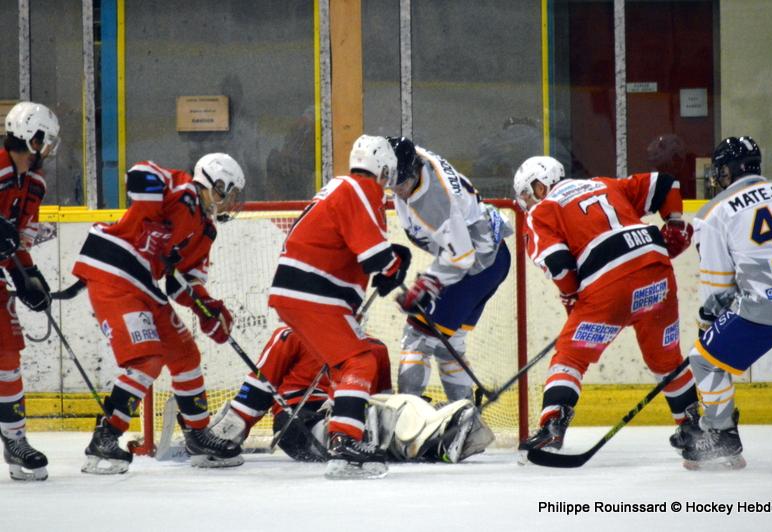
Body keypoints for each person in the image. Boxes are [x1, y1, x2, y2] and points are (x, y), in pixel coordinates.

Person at [72, 153, 247, 474]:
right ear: (215, 183)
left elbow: (183, 284)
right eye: (230, 192)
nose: (231, 201)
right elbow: (139, 173)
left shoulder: (206, 231)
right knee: (146, 360)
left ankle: (197, 435)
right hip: (114, 270)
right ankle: (105, 437)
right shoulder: (182, 190)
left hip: (145, 284)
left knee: (185, 354)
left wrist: (208, 310)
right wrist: (154, 213)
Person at [513, 155, 698, 456]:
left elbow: (559, 265)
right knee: (666, 361)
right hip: (657, 274)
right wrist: (675, 223)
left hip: (608, 288)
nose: (527, 202)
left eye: (527, 193)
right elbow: (665, 183)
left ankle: (552, 426)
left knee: (570, 357)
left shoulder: (542, 212)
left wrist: (571, 293)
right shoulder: (605, 184)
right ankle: (695, 430)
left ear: (541, 185)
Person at [268, 134, 411, 479]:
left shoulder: (343, 187)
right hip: (313, 292)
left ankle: (343, 434)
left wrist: (390, 263)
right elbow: (375, 257)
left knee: (345, 362)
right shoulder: (362, 190)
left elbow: (356, 249)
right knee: (360, 359)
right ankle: (344, 442)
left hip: (301, 290)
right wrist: (395, 265)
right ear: (383, 170)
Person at [671, 136, 772, 470]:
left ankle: (720, 436)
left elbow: (717, 282)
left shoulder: (715, 211)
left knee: (704, 360)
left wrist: (707, 321)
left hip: (762, 306)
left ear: (728, 170)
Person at [210, 325, 493, 464]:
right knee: (377, 419)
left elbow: (383, 401)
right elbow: (259, 387)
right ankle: (435, 435)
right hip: (300, 421)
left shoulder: (375, 348)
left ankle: (438, 435)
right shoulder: (292, 334)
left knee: (391, 411)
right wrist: (228, 432)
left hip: (353, 420)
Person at [388, 137, 514, 403]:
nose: (398, 190)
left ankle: (407, 415)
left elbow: (461, 257)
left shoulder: (435, 200)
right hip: (494, 259)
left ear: (413, 171)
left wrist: (426, 286)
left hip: (474, 266)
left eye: (402, 183)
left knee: (417, 338)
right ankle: (464, 415)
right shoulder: (413, 159)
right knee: (449, 345)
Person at [0, 101, 59, 480]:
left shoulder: (34, 185)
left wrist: (28, 278)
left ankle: (15, 440)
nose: (48, 149)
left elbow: (17, 241)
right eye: (45, 140)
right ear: (31, 138)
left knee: (8, 355)